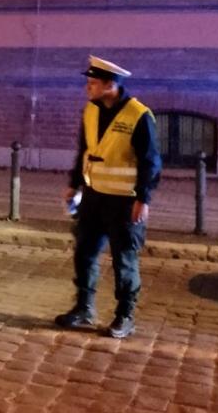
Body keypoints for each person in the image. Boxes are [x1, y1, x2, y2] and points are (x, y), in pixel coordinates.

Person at [54, 56, 161, 340]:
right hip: (93, 198)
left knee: (124, 259)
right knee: (84, 253)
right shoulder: (90, 110)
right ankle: (84, 307)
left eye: (93, 83)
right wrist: (75, 184)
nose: (87, 88)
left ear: (110, 85)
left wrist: (143, 199)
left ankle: (125, 315)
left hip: (124, 202)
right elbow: (85, 150)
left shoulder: (139, 115)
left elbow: (151, 162)